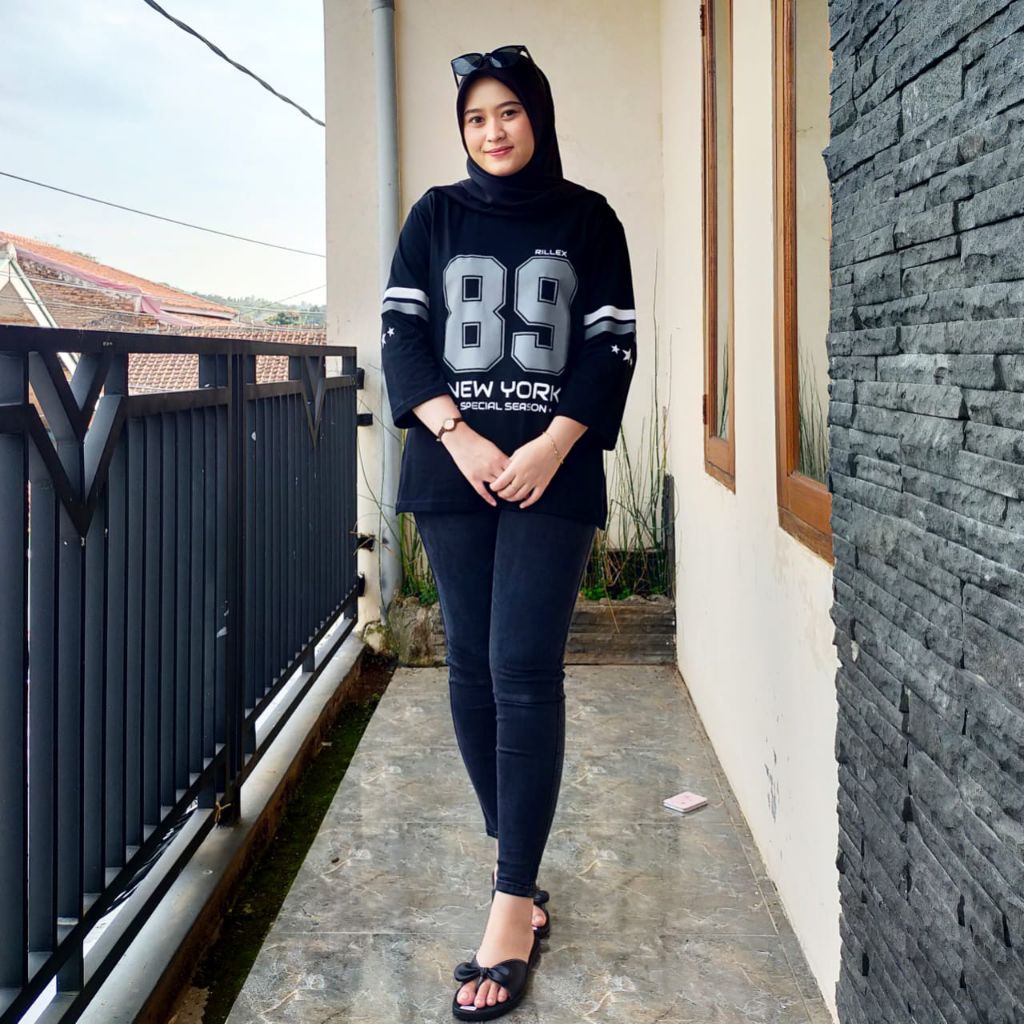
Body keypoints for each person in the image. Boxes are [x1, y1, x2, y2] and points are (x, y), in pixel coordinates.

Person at [379, 43, 637, 1020]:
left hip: (552, 475)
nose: (492, 131)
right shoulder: (434, 217)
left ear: (538, 116)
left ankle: (510, 899)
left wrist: (551, 446)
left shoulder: (589, 219)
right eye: (475, 118)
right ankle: (516, 871)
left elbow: (612, 346)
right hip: (453, 469)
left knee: (523, 667)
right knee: (471, 668)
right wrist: (461, 436)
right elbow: (401, 335)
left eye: (508, 112)